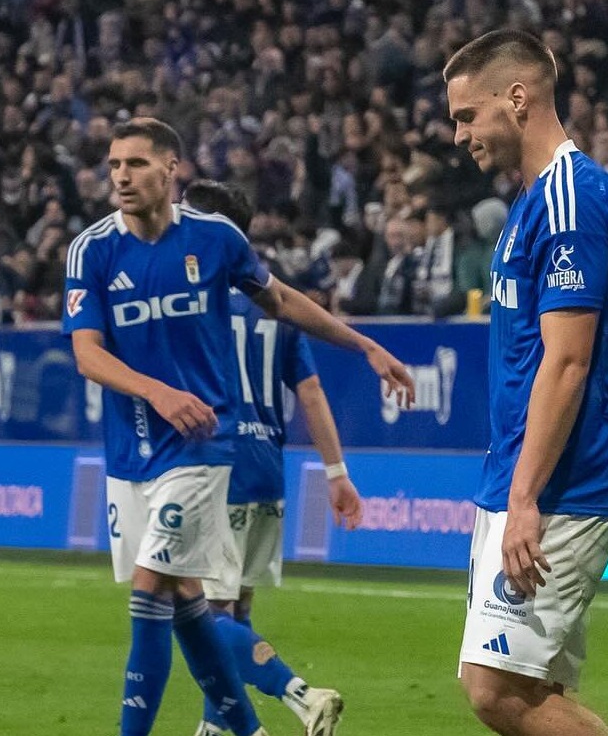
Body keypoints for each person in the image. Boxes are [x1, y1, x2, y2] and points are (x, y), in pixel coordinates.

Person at [63, 118, 414, 736]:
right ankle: (251, 730)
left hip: (203, 445)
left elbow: (281, 300)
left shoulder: (215, 238)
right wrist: (157, 392)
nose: (121, 176)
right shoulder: (91, 250)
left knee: (150, 589)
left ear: (171, 168)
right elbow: (87, 355)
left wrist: (364, 345)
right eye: (114, 164)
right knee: (188, 605)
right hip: (130, 453)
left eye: (136, 163)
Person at [444, 30, 608, 736]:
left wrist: (524, 497)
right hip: (524, 476)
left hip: (563, 484)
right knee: (529, 685)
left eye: (467, 115)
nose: (458, 134)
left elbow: (567, 361)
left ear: (518, 99)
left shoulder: (568, 200)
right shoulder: (534, 202)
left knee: (496, 691)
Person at [183, 180, 362, 736]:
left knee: (198, 616)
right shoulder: (273, 300)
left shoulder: (193, 294)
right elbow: (310, 390)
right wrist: (336, 472)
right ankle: (216, 729)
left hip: (216, 467)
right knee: (234, 613)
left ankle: (303, 696)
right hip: (265, 470)